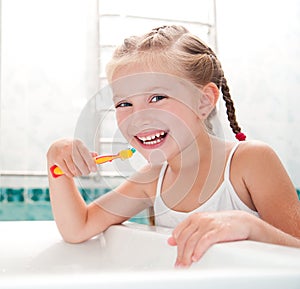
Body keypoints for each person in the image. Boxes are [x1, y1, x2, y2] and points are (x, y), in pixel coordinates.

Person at [47, 25, 300, 268]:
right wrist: (56, 158)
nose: (138, 117)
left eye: (157, 97)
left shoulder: (250, 161)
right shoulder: (153, 178)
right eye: (124, 104)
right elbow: (78, 227)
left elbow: (296, 251)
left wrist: (248, 225)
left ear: (203, 101)